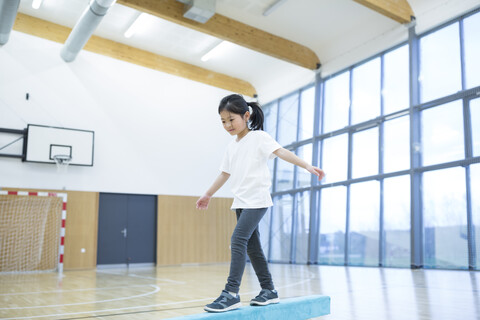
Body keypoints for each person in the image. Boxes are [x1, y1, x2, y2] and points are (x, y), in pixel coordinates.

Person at [196, 94, 325, 313]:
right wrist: (208, 194)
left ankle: (231, 293)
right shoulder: (231, 147)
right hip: (241, 201)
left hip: (257, 199)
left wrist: (307, 166)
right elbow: (224, 174)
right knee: (253, 247)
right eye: (223, 121)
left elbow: (281, 151)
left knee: (237, 239)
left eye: (231, 119)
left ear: (246, 116)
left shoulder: (259, 138)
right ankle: (269, 291)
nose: (227, 125)